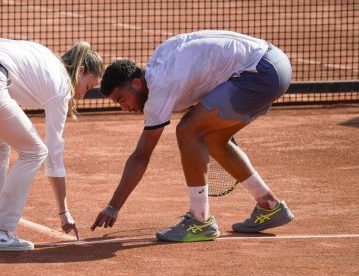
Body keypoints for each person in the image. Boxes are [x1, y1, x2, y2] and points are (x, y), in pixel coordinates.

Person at [90, 30, 294, 242]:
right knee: (213, 140)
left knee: (188, 130)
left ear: (136, 84)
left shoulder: (160, 88)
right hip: (274, 63)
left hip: (259, 73)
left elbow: (142, 155)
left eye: (122, 99)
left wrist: (113, 206)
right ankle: (269, 206)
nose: (124, 108)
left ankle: (200, 221)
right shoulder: (161, 60)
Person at [0, 34, 103, 251]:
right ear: (80, 71)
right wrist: (64, 211)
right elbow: (54, 155)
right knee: (35, 152)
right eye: (88, 87)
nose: (83, 94)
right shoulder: (62, 87)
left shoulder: (43, 54)